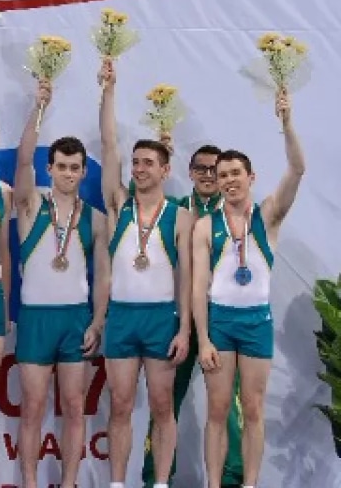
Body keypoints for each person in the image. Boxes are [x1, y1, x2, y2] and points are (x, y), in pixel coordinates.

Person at [194, 93, 303, 488]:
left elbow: (297, 168)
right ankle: (213, 484)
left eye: (236, 173)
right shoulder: (206, 226)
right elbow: (197, 289)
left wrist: (287, 122)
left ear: (250, 177)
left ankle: (251, 484)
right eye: (222, 175)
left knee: (253, 409)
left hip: (256, 321)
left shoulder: (269, 215)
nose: (228, 180)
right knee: (218, 409)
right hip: (221, 323)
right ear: (216, 181)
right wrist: (203, 338)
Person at [98, 60, 192, 488]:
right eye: (135, 162)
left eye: (148, 162)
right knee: (118, 405)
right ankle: (117, 483)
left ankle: (159, 483)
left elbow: (188, 278)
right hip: (121, 316)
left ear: (164, 169)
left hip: (160, 317)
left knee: (160, 406)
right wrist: (109, 90)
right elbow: (109, 142)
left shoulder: (180, 217)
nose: (138, 168)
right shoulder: (119, 204)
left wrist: (185, 329)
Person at [11, 80, 108, 488]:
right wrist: (38, 107)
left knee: (73, 406)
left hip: (75, 319)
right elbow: (20, 161)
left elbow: (103, 276)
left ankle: (69, 483)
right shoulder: (32, 204)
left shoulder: (97, 219)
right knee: (32, 407)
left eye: (75, 167)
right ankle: (30, 483)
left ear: (84, 172)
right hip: (35, 319)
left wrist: (97, 322)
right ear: (48, 168)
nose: (68, 173)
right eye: (60, 166)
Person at [141, 143, 245, 488]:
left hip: (220, 316)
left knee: (227, 404)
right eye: (199, 168)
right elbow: (134, 192)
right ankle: (155, 477)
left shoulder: (235, 212)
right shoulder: (173, 210)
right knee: (164, 400)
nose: (206, 174)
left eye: (212, 169)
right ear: (189, 172)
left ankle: (231, 477)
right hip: (177, 316)